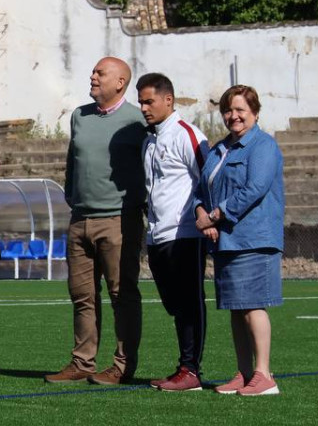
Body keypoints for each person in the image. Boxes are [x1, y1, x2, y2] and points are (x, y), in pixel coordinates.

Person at [45, 57, 147, 385]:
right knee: (82, 295)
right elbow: (73, 160)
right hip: (80, 219)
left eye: (100, 73)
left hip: (119, 220)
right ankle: (82, 363)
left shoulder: (137, 121)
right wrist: (72, 194)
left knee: (122, 295)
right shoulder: (80, 116)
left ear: (120, 82)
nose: (92, 76)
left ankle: (122, 366)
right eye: (93, 71)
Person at [194, 85, 285, 397]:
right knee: (235, 308)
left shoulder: (263, 146)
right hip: (226, 241)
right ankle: (245, 372)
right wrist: (201, 213)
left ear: (255, 113)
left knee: (252, 307)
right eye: (228, 111)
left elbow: (255, 188)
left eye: (240, 110)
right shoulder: (220, 149)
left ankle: (264, 375)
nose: (233, 116)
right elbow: (201, 189)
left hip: (253, 239)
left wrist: (216, 215)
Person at [136, 73, 210, 392]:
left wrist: (205, 218)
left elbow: (208, 178)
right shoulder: (149, 140)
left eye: (149, 101)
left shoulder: (187, 135)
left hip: (186, 235)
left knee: (190, 301)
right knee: (174, 304)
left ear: (169, 100)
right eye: (140, 102)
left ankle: (190, 369)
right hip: (157, 235)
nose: (143, 108)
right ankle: (183, 367)